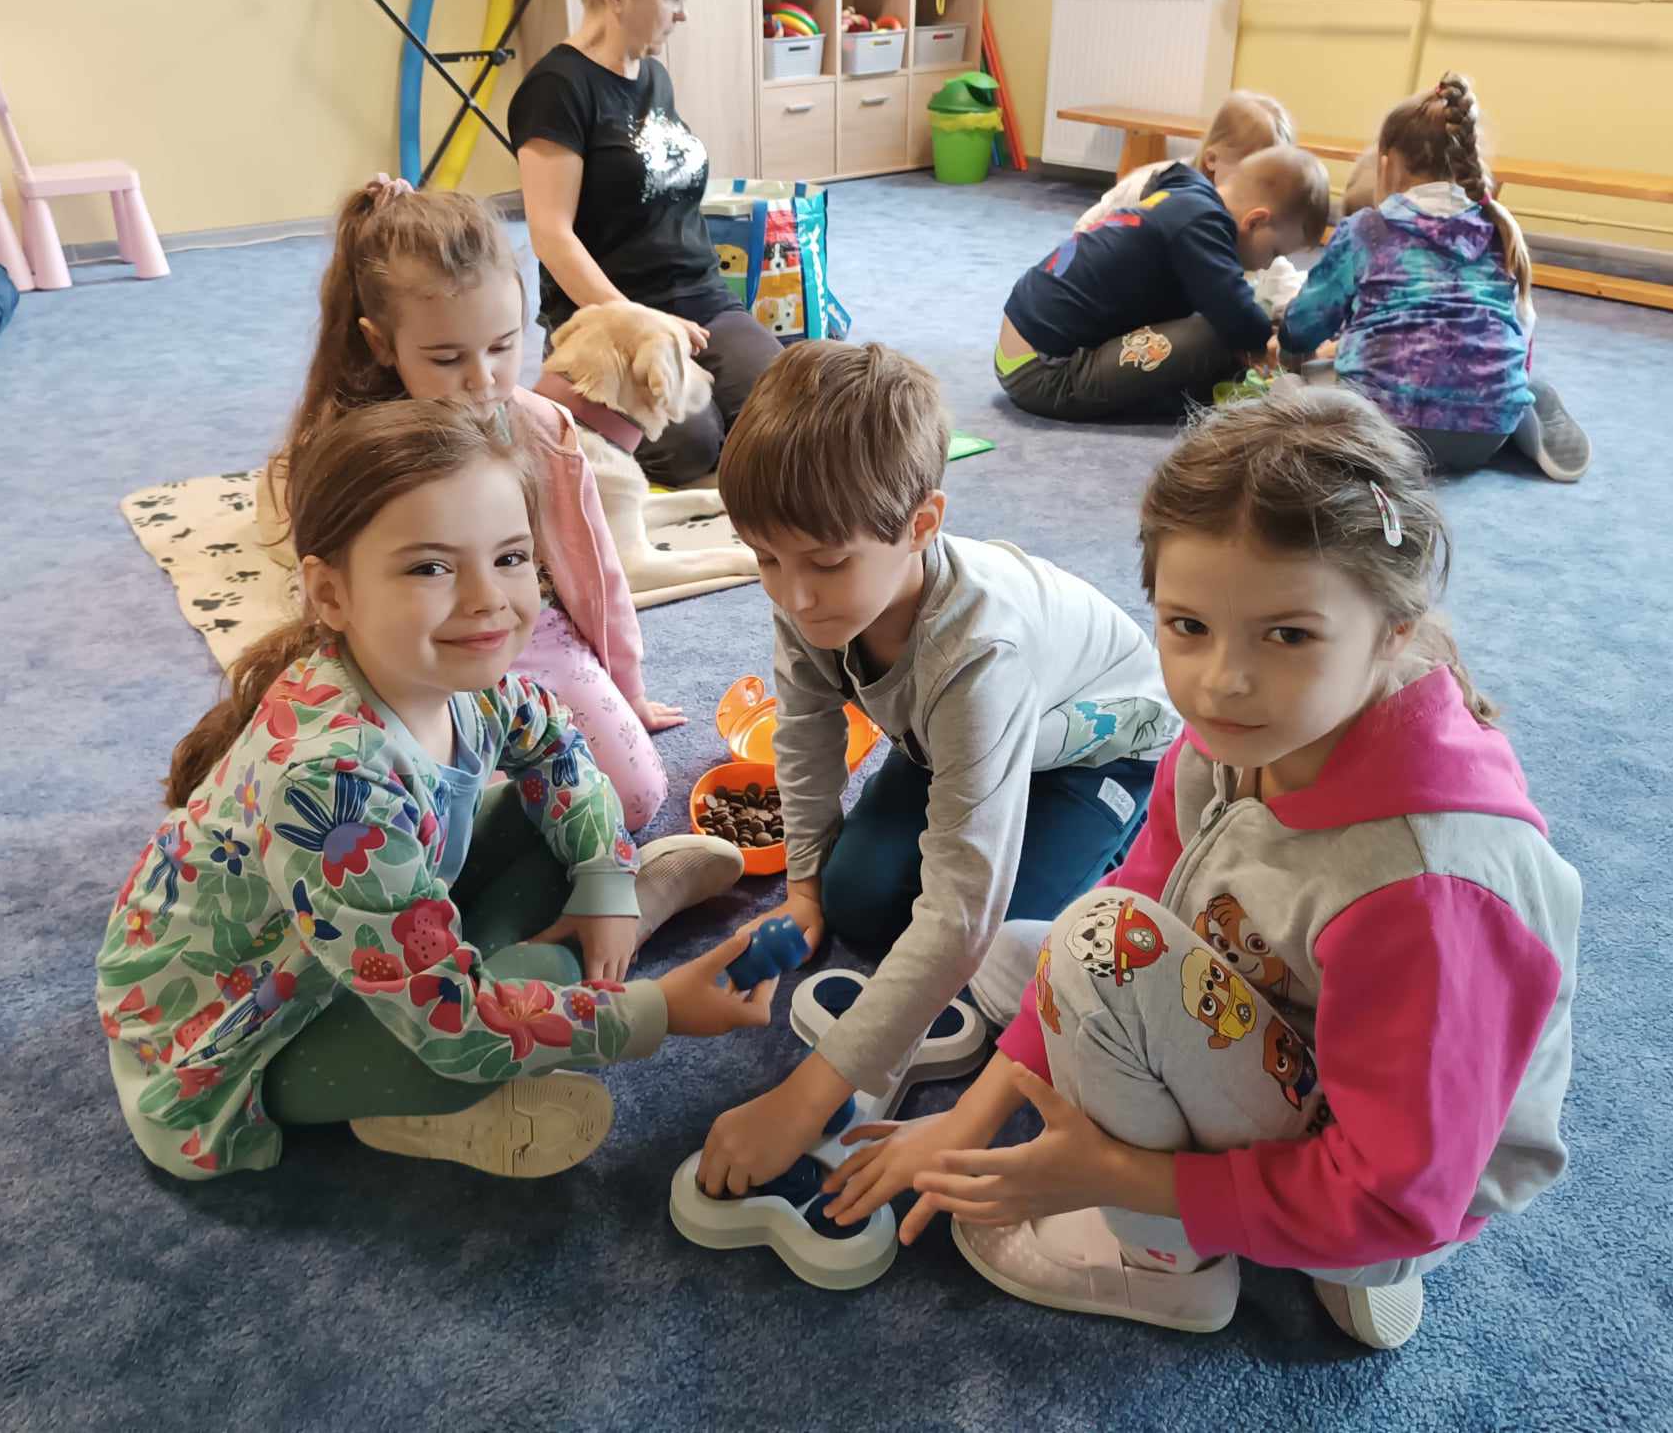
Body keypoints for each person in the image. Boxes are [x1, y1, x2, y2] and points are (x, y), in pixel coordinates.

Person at [824, 387, 1580, 1351]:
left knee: (1090, 951)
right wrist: (967, 1122)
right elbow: (1147, 891)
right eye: (1187, 626)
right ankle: (1254, 1205)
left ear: (1393, 631)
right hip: (1295, 1027)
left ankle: (1169, 1268)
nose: (1222, 680)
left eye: (1289, 634)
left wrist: (1110, 1177)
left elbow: (1403, 1203)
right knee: (1029, 952)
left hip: (1386, 1195)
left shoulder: (1425, 893)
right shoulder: (1245, 733)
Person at [100, 398, 767, 1182]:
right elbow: (453, 1028)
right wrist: (656, 1012)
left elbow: (556, 748)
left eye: (511, 557)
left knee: (556, 823)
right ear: (331, 594)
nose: (488, 598)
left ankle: (611, 916)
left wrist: (604, 877)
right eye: (430, 567)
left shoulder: (462, 678)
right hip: (244, 1041)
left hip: (363, 938)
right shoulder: (329, 785)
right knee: (518, 997)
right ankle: (439, 1087)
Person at [693, 340, 1182, 1200]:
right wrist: (803, 889)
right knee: (854, 898)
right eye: (766, 559)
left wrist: (806, 1100)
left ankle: (1125, 833)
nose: (793, 597)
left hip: (1096, 752)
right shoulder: (811, 596)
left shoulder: (980, 651)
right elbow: (803, 733)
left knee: (1001, 949)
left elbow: (961, 911)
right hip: (952, 738)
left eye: (826, 563)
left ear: (922, 526)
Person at [261, 176, 679, 829]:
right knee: (408, 822)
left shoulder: (546, 431)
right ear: (381, 344)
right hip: (410, 655)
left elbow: (597, 575)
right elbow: (350, 606)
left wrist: (629, 689)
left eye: (503, 346)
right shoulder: (361, 449)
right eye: (446, 357)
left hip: (532, 636)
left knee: (633, 797)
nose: (482, 378)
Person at [509, 0, 782, 486]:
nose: (682, 14)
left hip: (701, 300)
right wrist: (641, 321)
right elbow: (551, 235)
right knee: (693, 445)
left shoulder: (654, 77)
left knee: (789, 408)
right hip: (611, 321)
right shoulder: (556, 90)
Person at [1277, 72, 1591, 481]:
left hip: (1384, 430)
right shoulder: (1499, 229)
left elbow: (1302, 327)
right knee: (1501, 391)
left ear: (1385, 164)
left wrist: (1289, 340)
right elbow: (1519, 328)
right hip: (1485, 436)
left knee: (1294, 391)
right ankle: (1522, 409)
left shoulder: (1367, 230)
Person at [996, 145, 1330, 423]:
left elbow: (1164, 173)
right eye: (1274, 252)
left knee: (1215, 318)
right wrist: (1272, 345)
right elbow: (1238, 317)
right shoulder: (1204, 226)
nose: (1268, 265)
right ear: (1255, 220)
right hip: (1044, 373)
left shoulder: (1188, 190)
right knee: (1219, 334)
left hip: (1027, 345)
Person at [1073, 90, 1295, 233]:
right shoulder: (1169, 193)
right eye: (1251, 176)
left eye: (1271, 179)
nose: (1261, 190)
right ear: (1211, 160)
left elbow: (1272, 253)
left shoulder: (1241, 199)